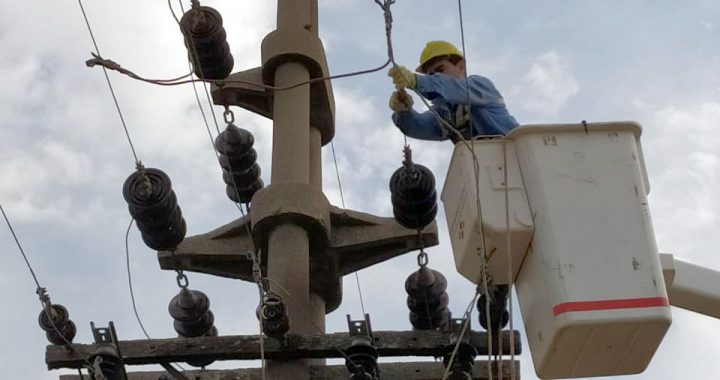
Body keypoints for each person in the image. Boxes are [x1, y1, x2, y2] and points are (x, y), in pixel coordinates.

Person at [388, 40, 519, 143]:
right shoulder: (445, 112)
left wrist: (417, 81)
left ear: (461, 67)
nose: (434, 76)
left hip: (518, 156)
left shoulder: (481, 86)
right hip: (487, 169)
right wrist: (404, 111)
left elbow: (450, 87)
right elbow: (420, 126)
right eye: (431, 75)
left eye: (440, 70)